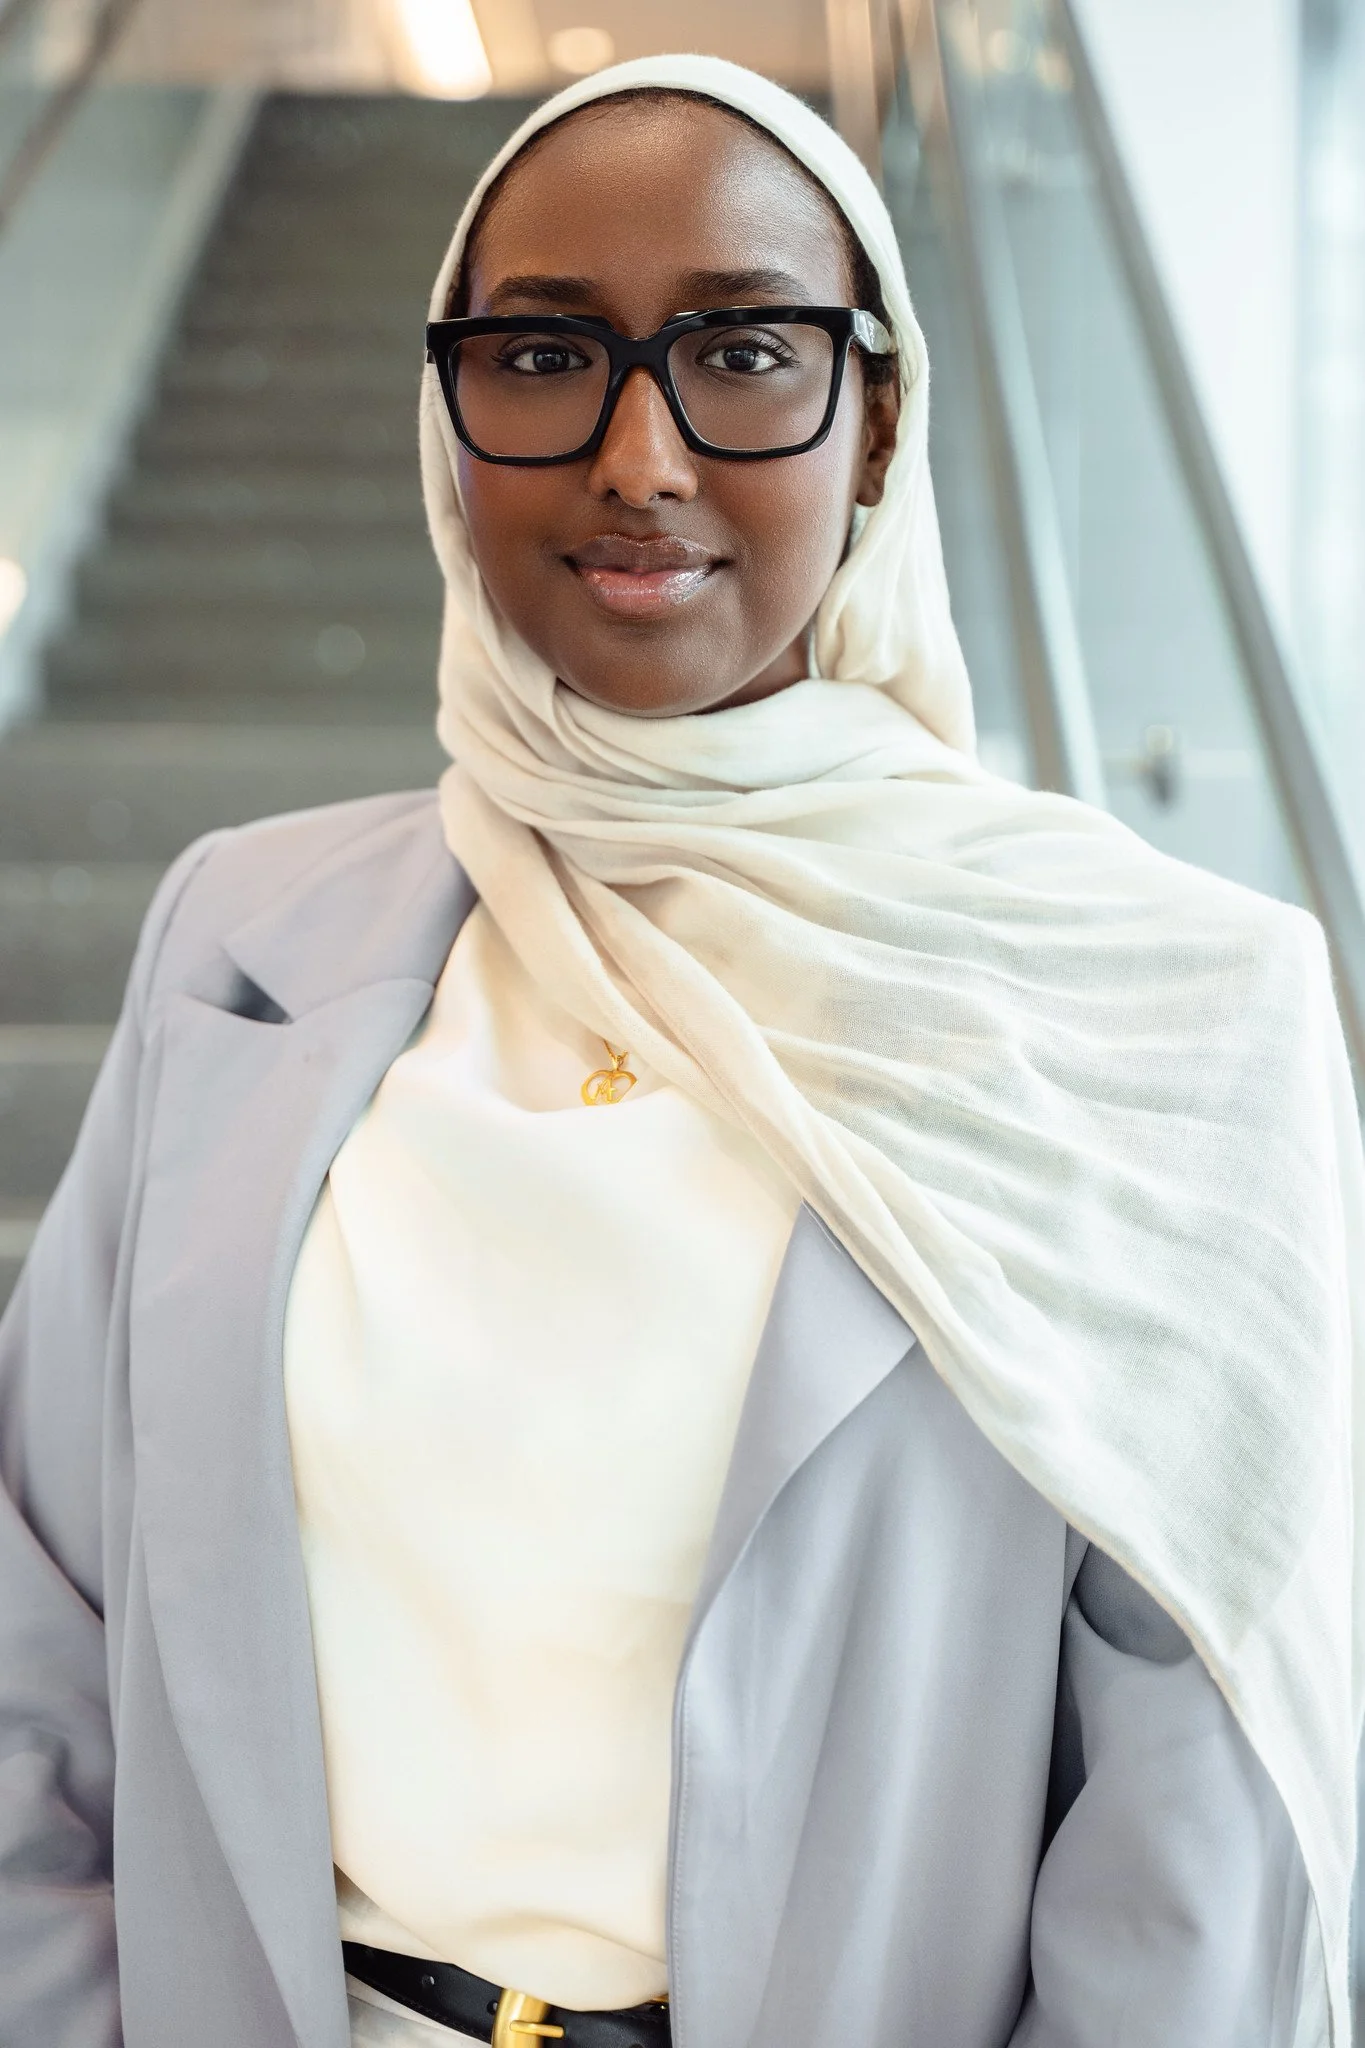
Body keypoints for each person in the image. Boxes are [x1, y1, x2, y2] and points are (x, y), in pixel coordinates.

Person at [0, 52, 1359, 2048]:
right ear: (447, 425)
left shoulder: (1158, 1002)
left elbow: (1203, 1811)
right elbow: (39, 1627)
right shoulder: (238, 935)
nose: (639, 454)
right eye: (543, 358)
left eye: (741, 351)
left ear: (873, 418)